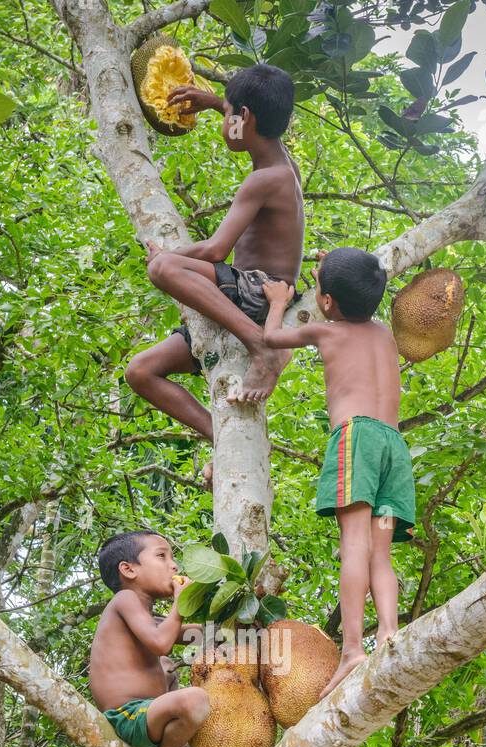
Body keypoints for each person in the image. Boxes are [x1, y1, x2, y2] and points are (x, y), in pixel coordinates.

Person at [125, 62, 305, 459]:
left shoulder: (263, 179)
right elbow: (248, 119)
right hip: (241, 294)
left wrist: (167, 255)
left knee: (163, 268)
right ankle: (220, 435)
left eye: (229, 114)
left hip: (259, 291)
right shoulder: (282, 163)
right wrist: (212, 103)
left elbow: (214, 251)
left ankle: (260, 346)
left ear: (245, 119)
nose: (223, 120)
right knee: (140, 371)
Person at [261, 248, 416, 696]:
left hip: (357, 442)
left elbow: (272, 337)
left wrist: (276, 300)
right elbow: (354, 291)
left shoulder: (326, 334)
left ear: (326, 302)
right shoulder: (385, 333)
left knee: (354, 543)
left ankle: (352, 649)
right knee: (379, 552)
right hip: (393, 450)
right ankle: (389, 630)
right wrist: (336, 272)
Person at [88, 530, 210, 747]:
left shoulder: (145, 615)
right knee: (196, 699)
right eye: (161, 556)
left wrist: (232, 627)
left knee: (169, 669)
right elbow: (161, 643)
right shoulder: (125, 600)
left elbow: (191, 635)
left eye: (172, 557)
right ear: (129, 570)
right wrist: (181, 603)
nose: (174, 565)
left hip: (151, 718)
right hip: (128, 717)